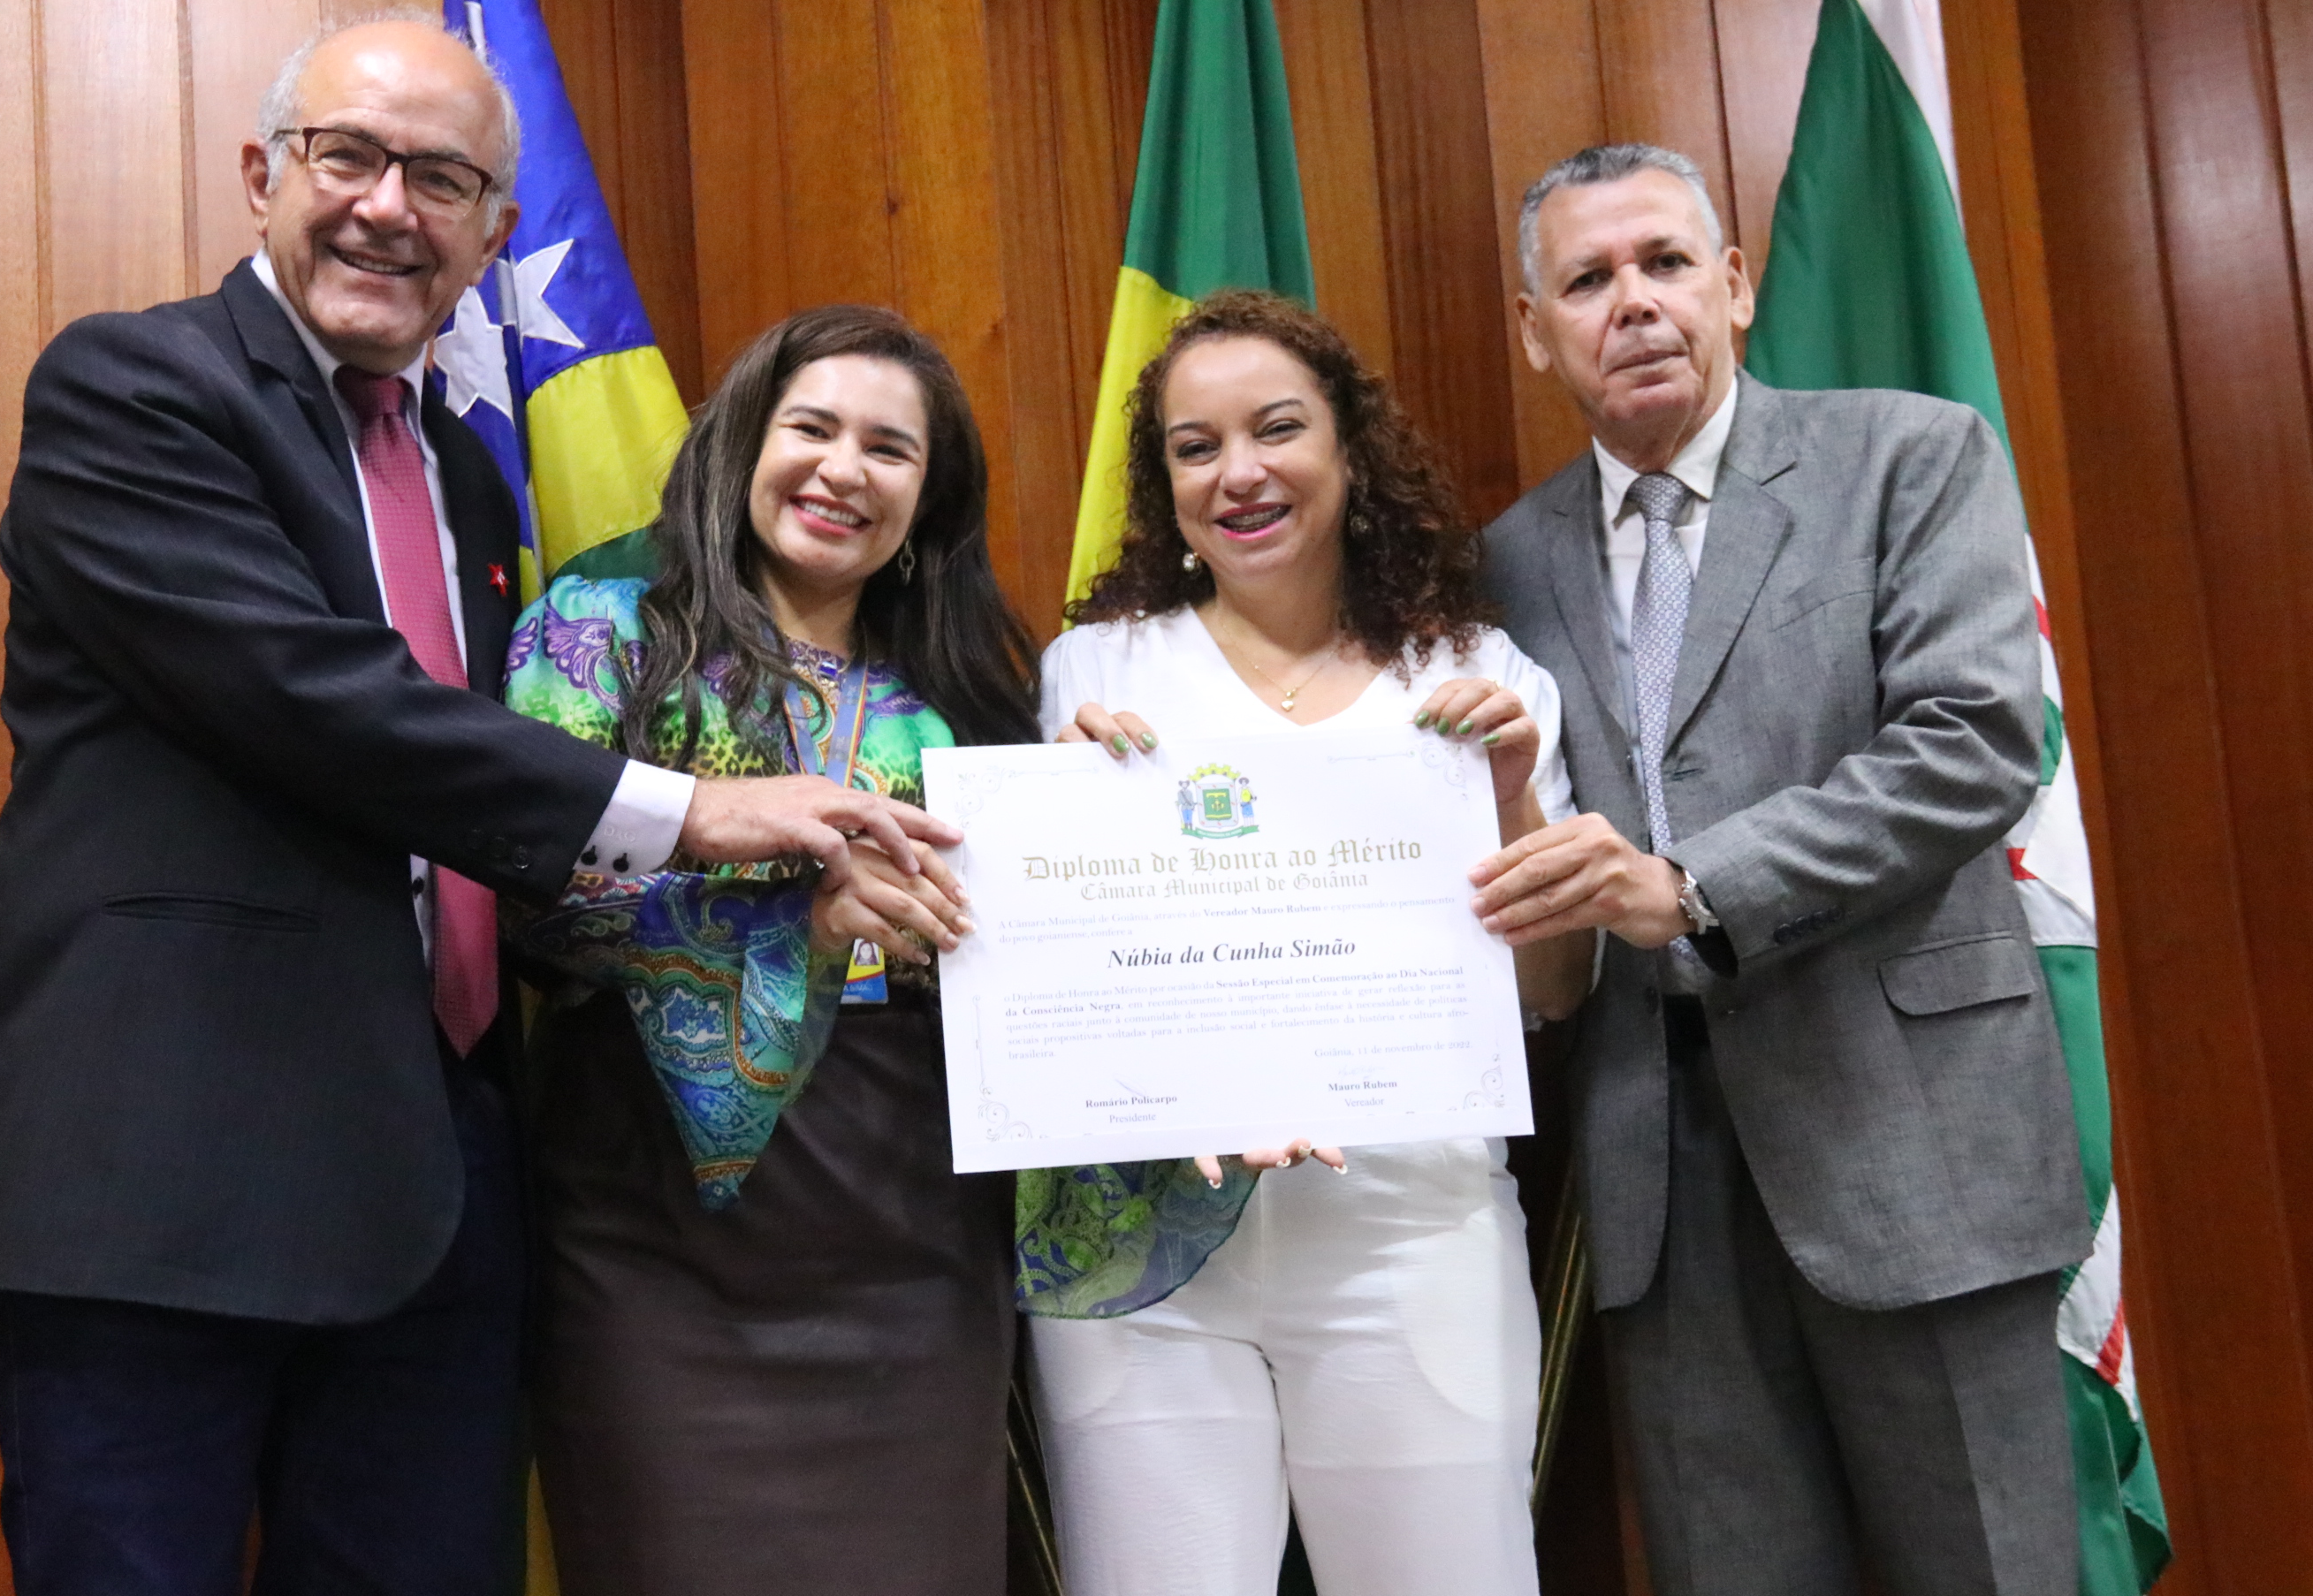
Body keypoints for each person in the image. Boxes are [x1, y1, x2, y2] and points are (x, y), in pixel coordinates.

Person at [0, 17, 956, 1596]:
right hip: (169, 1176)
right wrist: (692, 811)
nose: (388, 206)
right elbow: (310, 699)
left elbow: (492, 829)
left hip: (437, 1191)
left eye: (442, 179)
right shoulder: (135, 387)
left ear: (495, 235)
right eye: (347, 156)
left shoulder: (470, 483)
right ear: (261, 176)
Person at [1472, 142, 2086, 1596]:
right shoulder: (1504, 564)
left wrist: (1693, 888)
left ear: (1736, 286)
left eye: (1667, 263)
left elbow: (1974, 739)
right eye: (1589, 280)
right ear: (1536, 330)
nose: (1635, 303)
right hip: (1662, 1181)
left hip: (1914, 1143)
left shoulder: (1910, 457)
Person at [1025, 291, 1594, 1596]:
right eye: (1195, 447)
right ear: (1164, 483)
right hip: (1144, 1256)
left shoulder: (1480, 677)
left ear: (1349, 448)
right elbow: (1055, 989)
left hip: (1408, 1232)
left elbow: (1556, 993)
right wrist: (1057, 828)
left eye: (1277, 429)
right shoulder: (1093, 674)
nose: (1239, 473)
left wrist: (1510, 802)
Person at [503, 303, 1041, 1594]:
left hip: (914, 1236)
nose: (844, 469)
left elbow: (1033, 957)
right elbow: (536, 902)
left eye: (890, 449)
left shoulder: (965, 688)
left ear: (929, 496)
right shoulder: (603, 629)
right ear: (746, 439)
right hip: (653, 1237)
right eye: (813, 428)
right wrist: (797, 920)